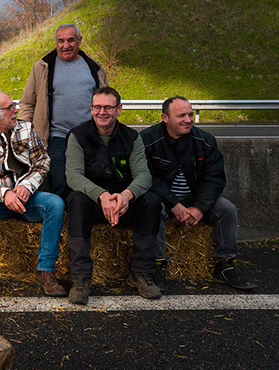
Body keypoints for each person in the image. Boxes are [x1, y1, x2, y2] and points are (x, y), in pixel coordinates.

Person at [140, 96, 256, 291]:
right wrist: (173, 204)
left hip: (194, 198)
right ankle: (156, 266)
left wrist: (199, 207)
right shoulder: (147, 140)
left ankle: (225, 264)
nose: (188, 119)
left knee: (226, 209)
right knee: (152, 208)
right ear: (165, 118)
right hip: (162, 198)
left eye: (190, 114)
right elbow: (147, 178)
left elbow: (215, 177)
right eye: (181, 116)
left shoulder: (205, 141)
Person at [64, 86, 161, 305]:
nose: (102, 112)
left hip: (122, 204)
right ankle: (80, 278)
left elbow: (144, 175)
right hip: (93, 202)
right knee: (75, 199)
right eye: (97, 107)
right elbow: (73, 177)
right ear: (90, 109)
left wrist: (127, 195)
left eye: (108, 107)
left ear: (119, 109)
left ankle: (141, 273)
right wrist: (102, 195)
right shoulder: (77, 136)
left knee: (152, 201)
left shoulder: (132, 137)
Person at [0, 90, 66, 297]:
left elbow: (42, 161)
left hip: (28, 199)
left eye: (14, 106)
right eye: (10, 108)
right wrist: (4, 194)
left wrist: (27, 186)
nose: (15, 110)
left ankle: (45, 270)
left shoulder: (26, 128)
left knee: (55, 203)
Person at [20, 21, 107, 202]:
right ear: (56, 42)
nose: (65, 45)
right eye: (61, 41)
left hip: (89, 137)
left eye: (71, 40)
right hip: (57, 138)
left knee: (92, 184)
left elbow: (106, 102)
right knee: (61, 186)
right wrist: (25, 133)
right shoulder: (42, 67)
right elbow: (28, 103)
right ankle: (65, 222)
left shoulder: (94, 69)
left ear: (79, 41)